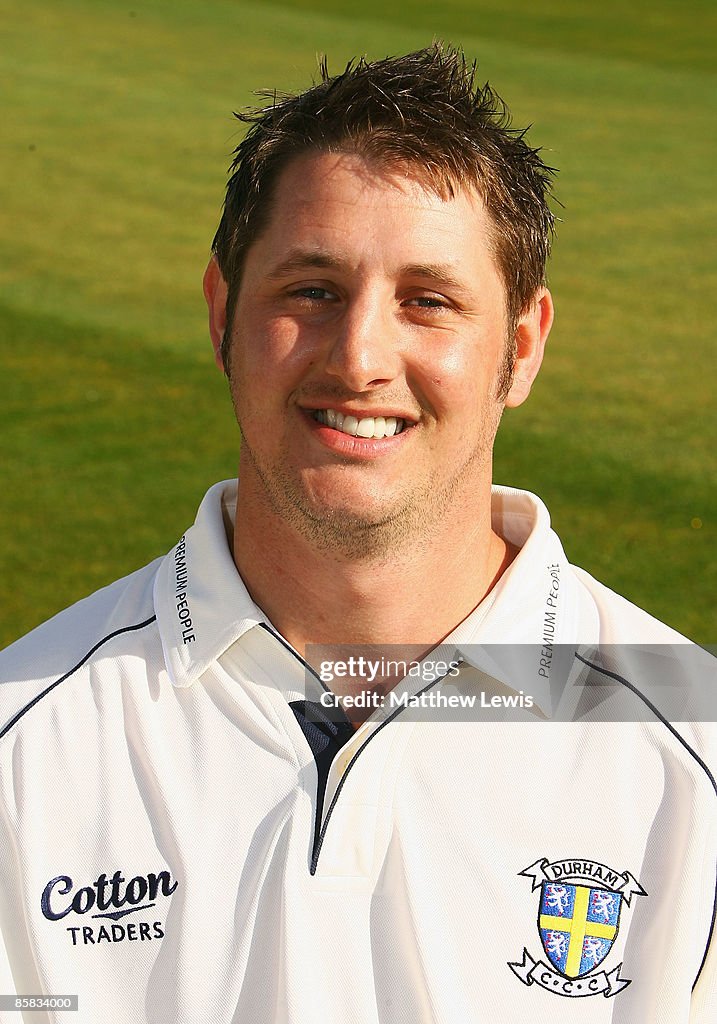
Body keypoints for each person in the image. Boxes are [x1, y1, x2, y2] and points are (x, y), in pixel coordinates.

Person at [0, 44, 714, 1024]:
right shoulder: (25, 751)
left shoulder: (695, 763)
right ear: (221, 315)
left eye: (429, 301)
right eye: (311, 291)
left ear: (523, 345)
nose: (362, 356)